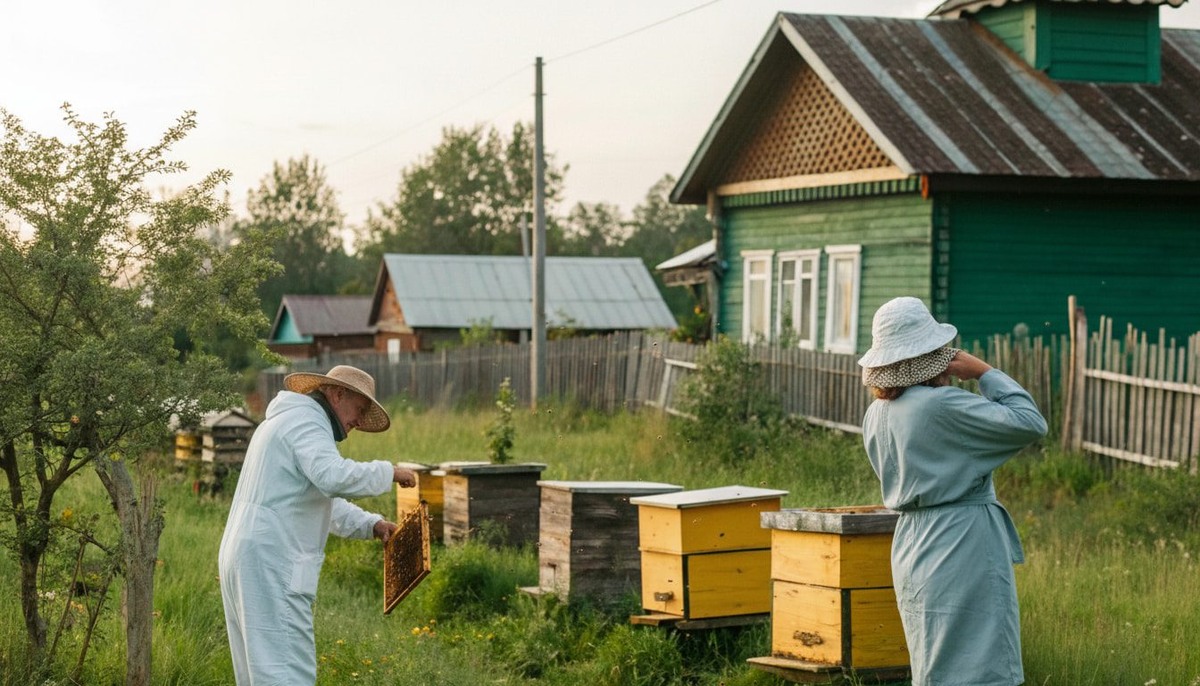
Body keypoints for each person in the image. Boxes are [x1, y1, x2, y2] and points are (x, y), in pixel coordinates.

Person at [857, 297, 1047, 686]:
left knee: (934, 666)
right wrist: (986, 372)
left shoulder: (875, 414)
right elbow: (1030, 422)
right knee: (982, 666)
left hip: (911, 543)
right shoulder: (940, 405)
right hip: (961, 542)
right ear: (930, 356)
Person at [219, 365, 418, 685]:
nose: (358, 421)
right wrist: (389, 472)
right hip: (272, 559)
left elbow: (319, 498)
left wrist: (372, 524)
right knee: (285, 673)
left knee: (261, 673)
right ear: (337, 394)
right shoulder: (308, 422)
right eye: (360, 409)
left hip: (250, 555)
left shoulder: (290, 420)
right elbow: (332, 477)